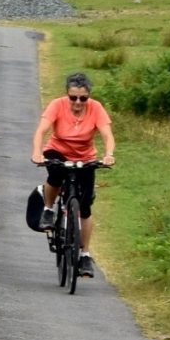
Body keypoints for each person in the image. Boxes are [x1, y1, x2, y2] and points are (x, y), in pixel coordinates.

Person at [31, 71, 117, 278]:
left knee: (85, 206)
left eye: (83, 98)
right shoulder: (57, 105)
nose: (78, 102)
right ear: (67, 94)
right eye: (73, 97)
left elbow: (107, 135)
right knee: (55, 176)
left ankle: (85, 255)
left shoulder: (96, 109)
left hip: (85, 157)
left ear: (89, 96)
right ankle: (49, 209)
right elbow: (41, 130)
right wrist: (37, 152)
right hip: (58, 151)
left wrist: (109, 155)